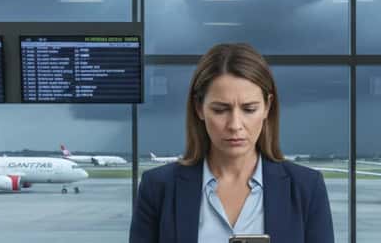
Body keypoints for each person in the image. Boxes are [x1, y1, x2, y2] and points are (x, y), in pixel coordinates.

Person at [130, 43, 334, 243]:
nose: (235, 125)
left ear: (267, 107)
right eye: (220, 110)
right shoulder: (157, 188)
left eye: (249, 109)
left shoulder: (307, 188)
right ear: (199, 108)